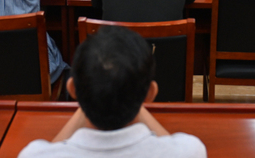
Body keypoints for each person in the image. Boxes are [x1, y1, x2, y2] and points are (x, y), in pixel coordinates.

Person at [18, 26, 206, 158]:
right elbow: (171, 145)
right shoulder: (190, 152)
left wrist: (88, 97)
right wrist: (135, 96)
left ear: (72, 89)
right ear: (151, 93)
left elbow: (51, 150)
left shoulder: (32, 155)